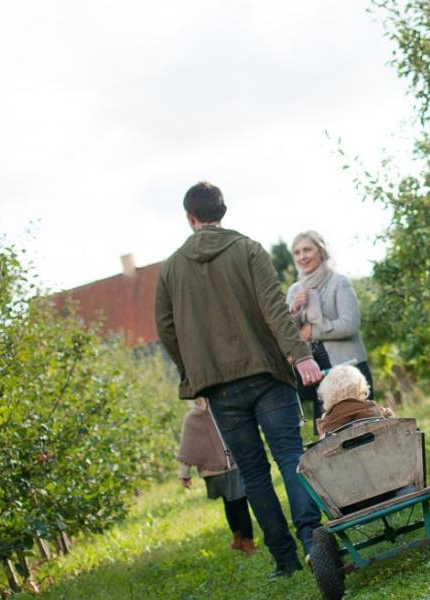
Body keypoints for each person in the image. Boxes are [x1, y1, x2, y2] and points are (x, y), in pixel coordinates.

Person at [155, 181, 325, 579]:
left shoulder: (171, 268)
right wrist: (300, 357)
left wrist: (192, 374)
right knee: (290, 456)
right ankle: (314, 542)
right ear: (223, 210)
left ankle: (283, 559)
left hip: (219, 388)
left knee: (252, 473)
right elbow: (273, 309)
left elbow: (165, 328)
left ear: (190, 218)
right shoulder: (248, 249)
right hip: (266, 374)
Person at [286, 231, 373, 434]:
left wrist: (313, 331)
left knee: (364, 433)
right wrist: (294, 310)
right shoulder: (294, 291)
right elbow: (289, 333)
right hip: (318, 375)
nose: (302, 256)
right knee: (328, 436)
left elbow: (350, 324)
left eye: (307, 249)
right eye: (297, 252)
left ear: (321, 251)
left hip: (348, 372)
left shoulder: (339, 282)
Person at [177, 397, 256, 556]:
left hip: (232, 464)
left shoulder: (222, 406)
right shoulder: (193, 418)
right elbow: (188, 445)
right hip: (213, 469)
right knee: (235, 503)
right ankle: (245, 542)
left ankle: (241, 540)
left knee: (235, 502)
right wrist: (183, 473)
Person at [316, 364, 394, 439]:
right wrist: (390, 415)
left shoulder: (327, 427)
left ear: (327, 395)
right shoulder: (379, 413)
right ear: (362, 389)